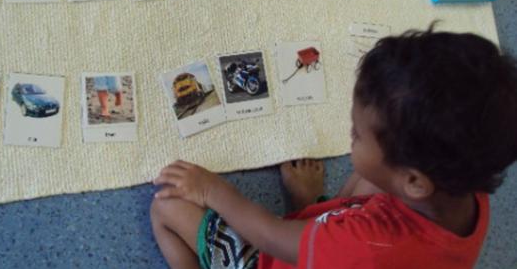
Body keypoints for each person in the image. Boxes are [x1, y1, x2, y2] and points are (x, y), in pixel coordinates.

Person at [150, 26, 517, 268]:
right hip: (347, 243)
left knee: (165, 206)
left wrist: (212, 189)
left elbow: (269, 236)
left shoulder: (367, 248)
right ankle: (312, 211)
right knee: (370, 178)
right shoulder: (463, 187)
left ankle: (304, 220)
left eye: (357, 134)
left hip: (285, 254)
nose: (350, 135)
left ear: (414, 181)